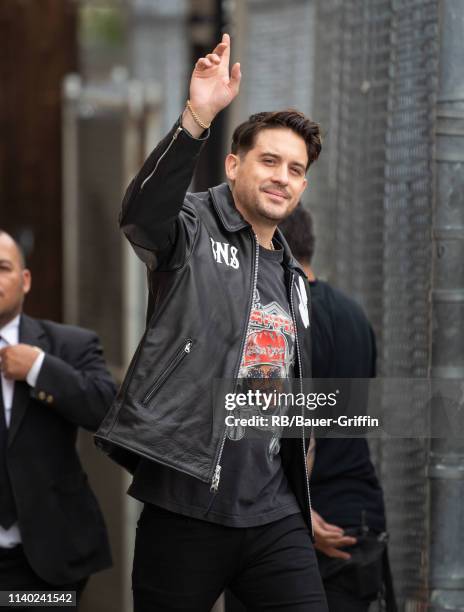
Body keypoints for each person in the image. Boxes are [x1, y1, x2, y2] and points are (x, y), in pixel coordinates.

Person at [96, 34, 328, 611]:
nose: (281, 177)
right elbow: (141, 216)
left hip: (275, 511)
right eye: (269, 161)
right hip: (187, 501)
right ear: (234, 163)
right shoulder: (193, 226)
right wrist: (198, 116)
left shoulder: (292, 278)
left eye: (295, 169)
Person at [279, 206, 397, 612]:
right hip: (355, 516)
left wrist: (296, 513)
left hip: (296, 525)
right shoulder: (354, 315)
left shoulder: (276, 323)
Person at [0, 230, 116, 608]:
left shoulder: (70, 345)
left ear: (25, 280)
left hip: (43, 563)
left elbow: (108, 413)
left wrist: (40, 369)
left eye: (2, 268)